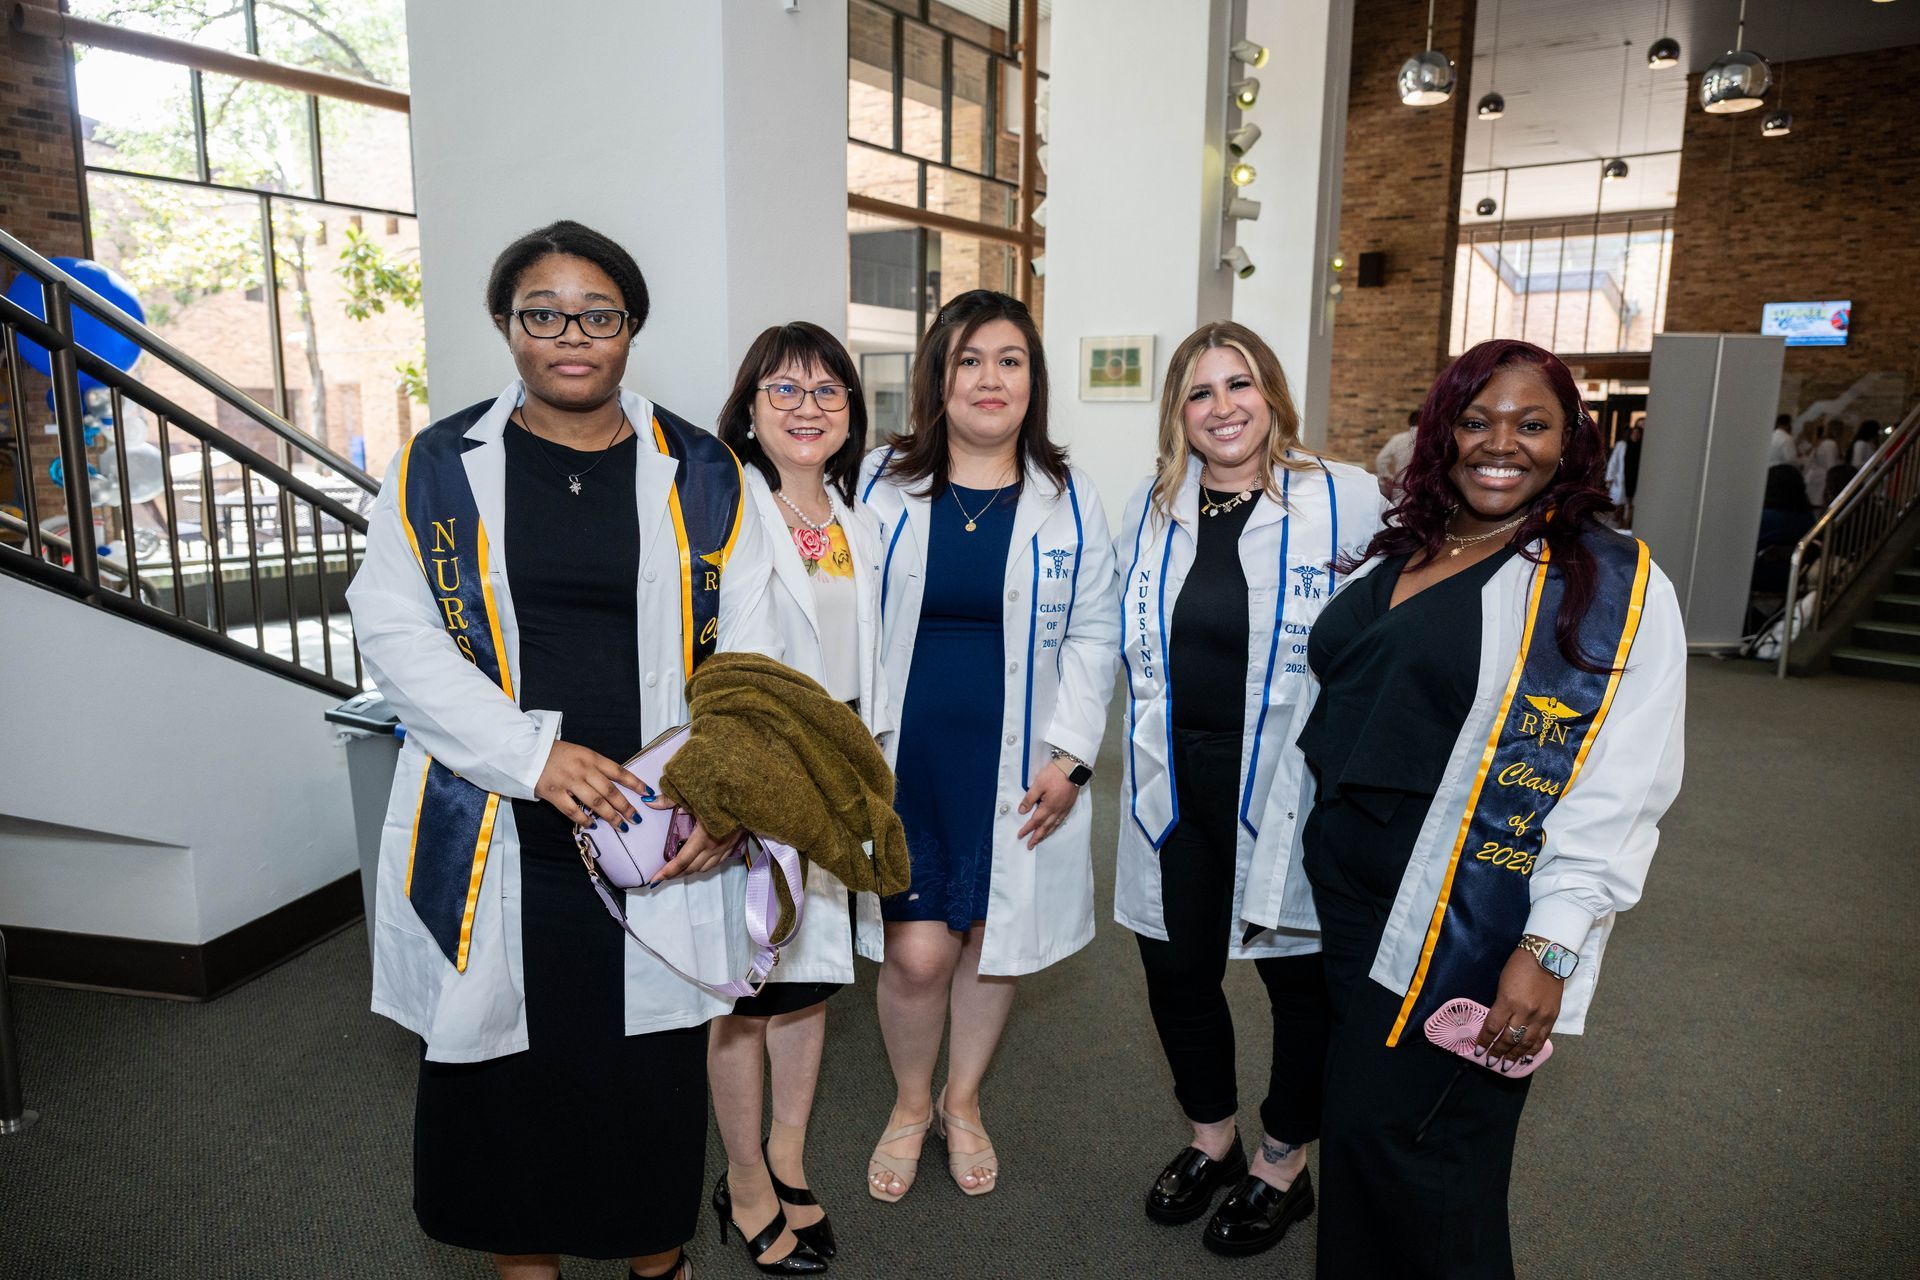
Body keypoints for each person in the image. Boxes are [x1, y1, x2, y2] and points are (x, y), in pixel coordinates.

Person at [346, 220, 778, 1280]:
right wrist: (531, 753)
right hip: (499, 826)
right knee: (507, 1088)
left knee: (646, 1077)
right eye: (542, 313)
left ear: (630, 328)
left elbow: (761, 650)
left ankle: (656, 1262)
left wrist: (723, 791)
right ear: (506, 326)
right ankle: (523, 1267)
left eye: (598, 314)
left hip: (657, 831)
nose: (569, 336)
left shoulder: (707, 470)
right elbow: (394, 631)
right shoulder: (438, 467)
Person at [1295, 338, 1686, 1278]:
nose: (1499, 443)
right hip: (1351, 896)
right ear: (1444, 433)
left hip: (1461, 911)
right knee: (1359, 1134)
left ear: (1570, 442)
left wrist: (1550, 947)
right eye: (1477, 420)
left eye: (1531, 423)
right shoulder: (1415, 540)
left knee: (1431, 1156)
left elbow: (1620, 790)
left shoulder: (1609, 582)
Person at [1111, 321, 1384, 1257]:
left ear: (1272, 394)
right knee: (1175, 967)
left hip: (1290, 781)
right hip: (1174, 775)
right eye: (1199, 392)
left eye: (1240, 385)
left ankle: (1281, 1161)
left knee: (1295, 976)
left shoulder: (1343, 498)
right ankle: (1213, 1138)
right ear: (1176, 414)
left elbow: (1413, 613)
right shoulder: (1155, 508)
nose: (1222, 407)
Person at [858, 289, 1119, 1201]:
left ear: (1033, 380)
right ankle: (908, 1099)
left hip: (1017, 766)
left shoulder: (1070, 495)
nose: (989, 379)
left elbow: (1096, 631)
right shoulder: (881, 480)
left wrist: (1072, 753)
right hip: (904, 758)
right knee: (918, 952)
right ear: (939, 376)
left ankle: (961, 1102)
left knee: (992, 940)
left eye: (1010, 360)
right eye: (969, 359)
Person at [706, 322, 893, 1274]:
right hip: (760, 775)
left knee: (809, 982)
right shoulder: (728, 507)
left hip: (835, 772)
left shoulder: (858, 513)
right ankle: (742, 1180)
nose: (808, 408)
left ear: (851, 414)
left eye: (828, 392)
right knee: (745, 989)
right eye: (784, 390)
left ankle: (787, 1154)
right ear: (749, 409)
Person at [1374, 409, 1419, 499]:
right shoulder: (1430, 440)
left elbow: (1380, 459)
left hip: (1400, 488)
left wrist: (1387, 477)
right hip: (1422, 489)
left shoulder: (1398, 439)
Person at [1803, 418, 1842, 509]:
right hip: (1822, 482)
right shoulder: (1830, 444)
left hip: (1817, 480)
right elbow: (1831, 466)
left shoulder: (1825, 443)